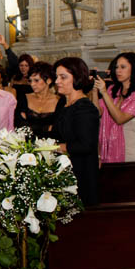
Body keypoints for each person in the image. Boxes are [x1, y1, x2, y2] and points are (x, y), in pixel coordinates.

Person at [52, 57, 99, 206]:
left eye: (63, 77)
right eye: (56, 76)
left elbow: (85, 145)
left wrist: (58, 147)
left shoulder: (85, 108)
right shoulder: (63, 103)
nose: (57, 81)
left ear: (77, 77)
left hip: (81, 172)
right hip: (65, 169)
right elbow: (57, 133)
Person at [93, 52, 135, 163]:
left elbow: (120, 119)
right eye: (116, 67)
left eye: (123, 67)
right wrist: (94, 90)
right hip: (106, 148)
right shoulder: (113, 89)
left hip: (127, 151)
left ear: (134, 69)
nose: (118, 71)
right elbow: (97, 113)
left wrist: (104, 92)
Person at [14, 61, 60, 138]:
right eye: (30, 80)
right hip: (26, 146)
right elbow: (20, 127)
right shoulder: (24, 98)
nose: (32, 84)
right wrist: (46, 128)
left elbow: (58, 130)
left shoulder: (59, 101)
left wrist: (31, 126)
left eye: (36, 80)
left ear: (49, 81)